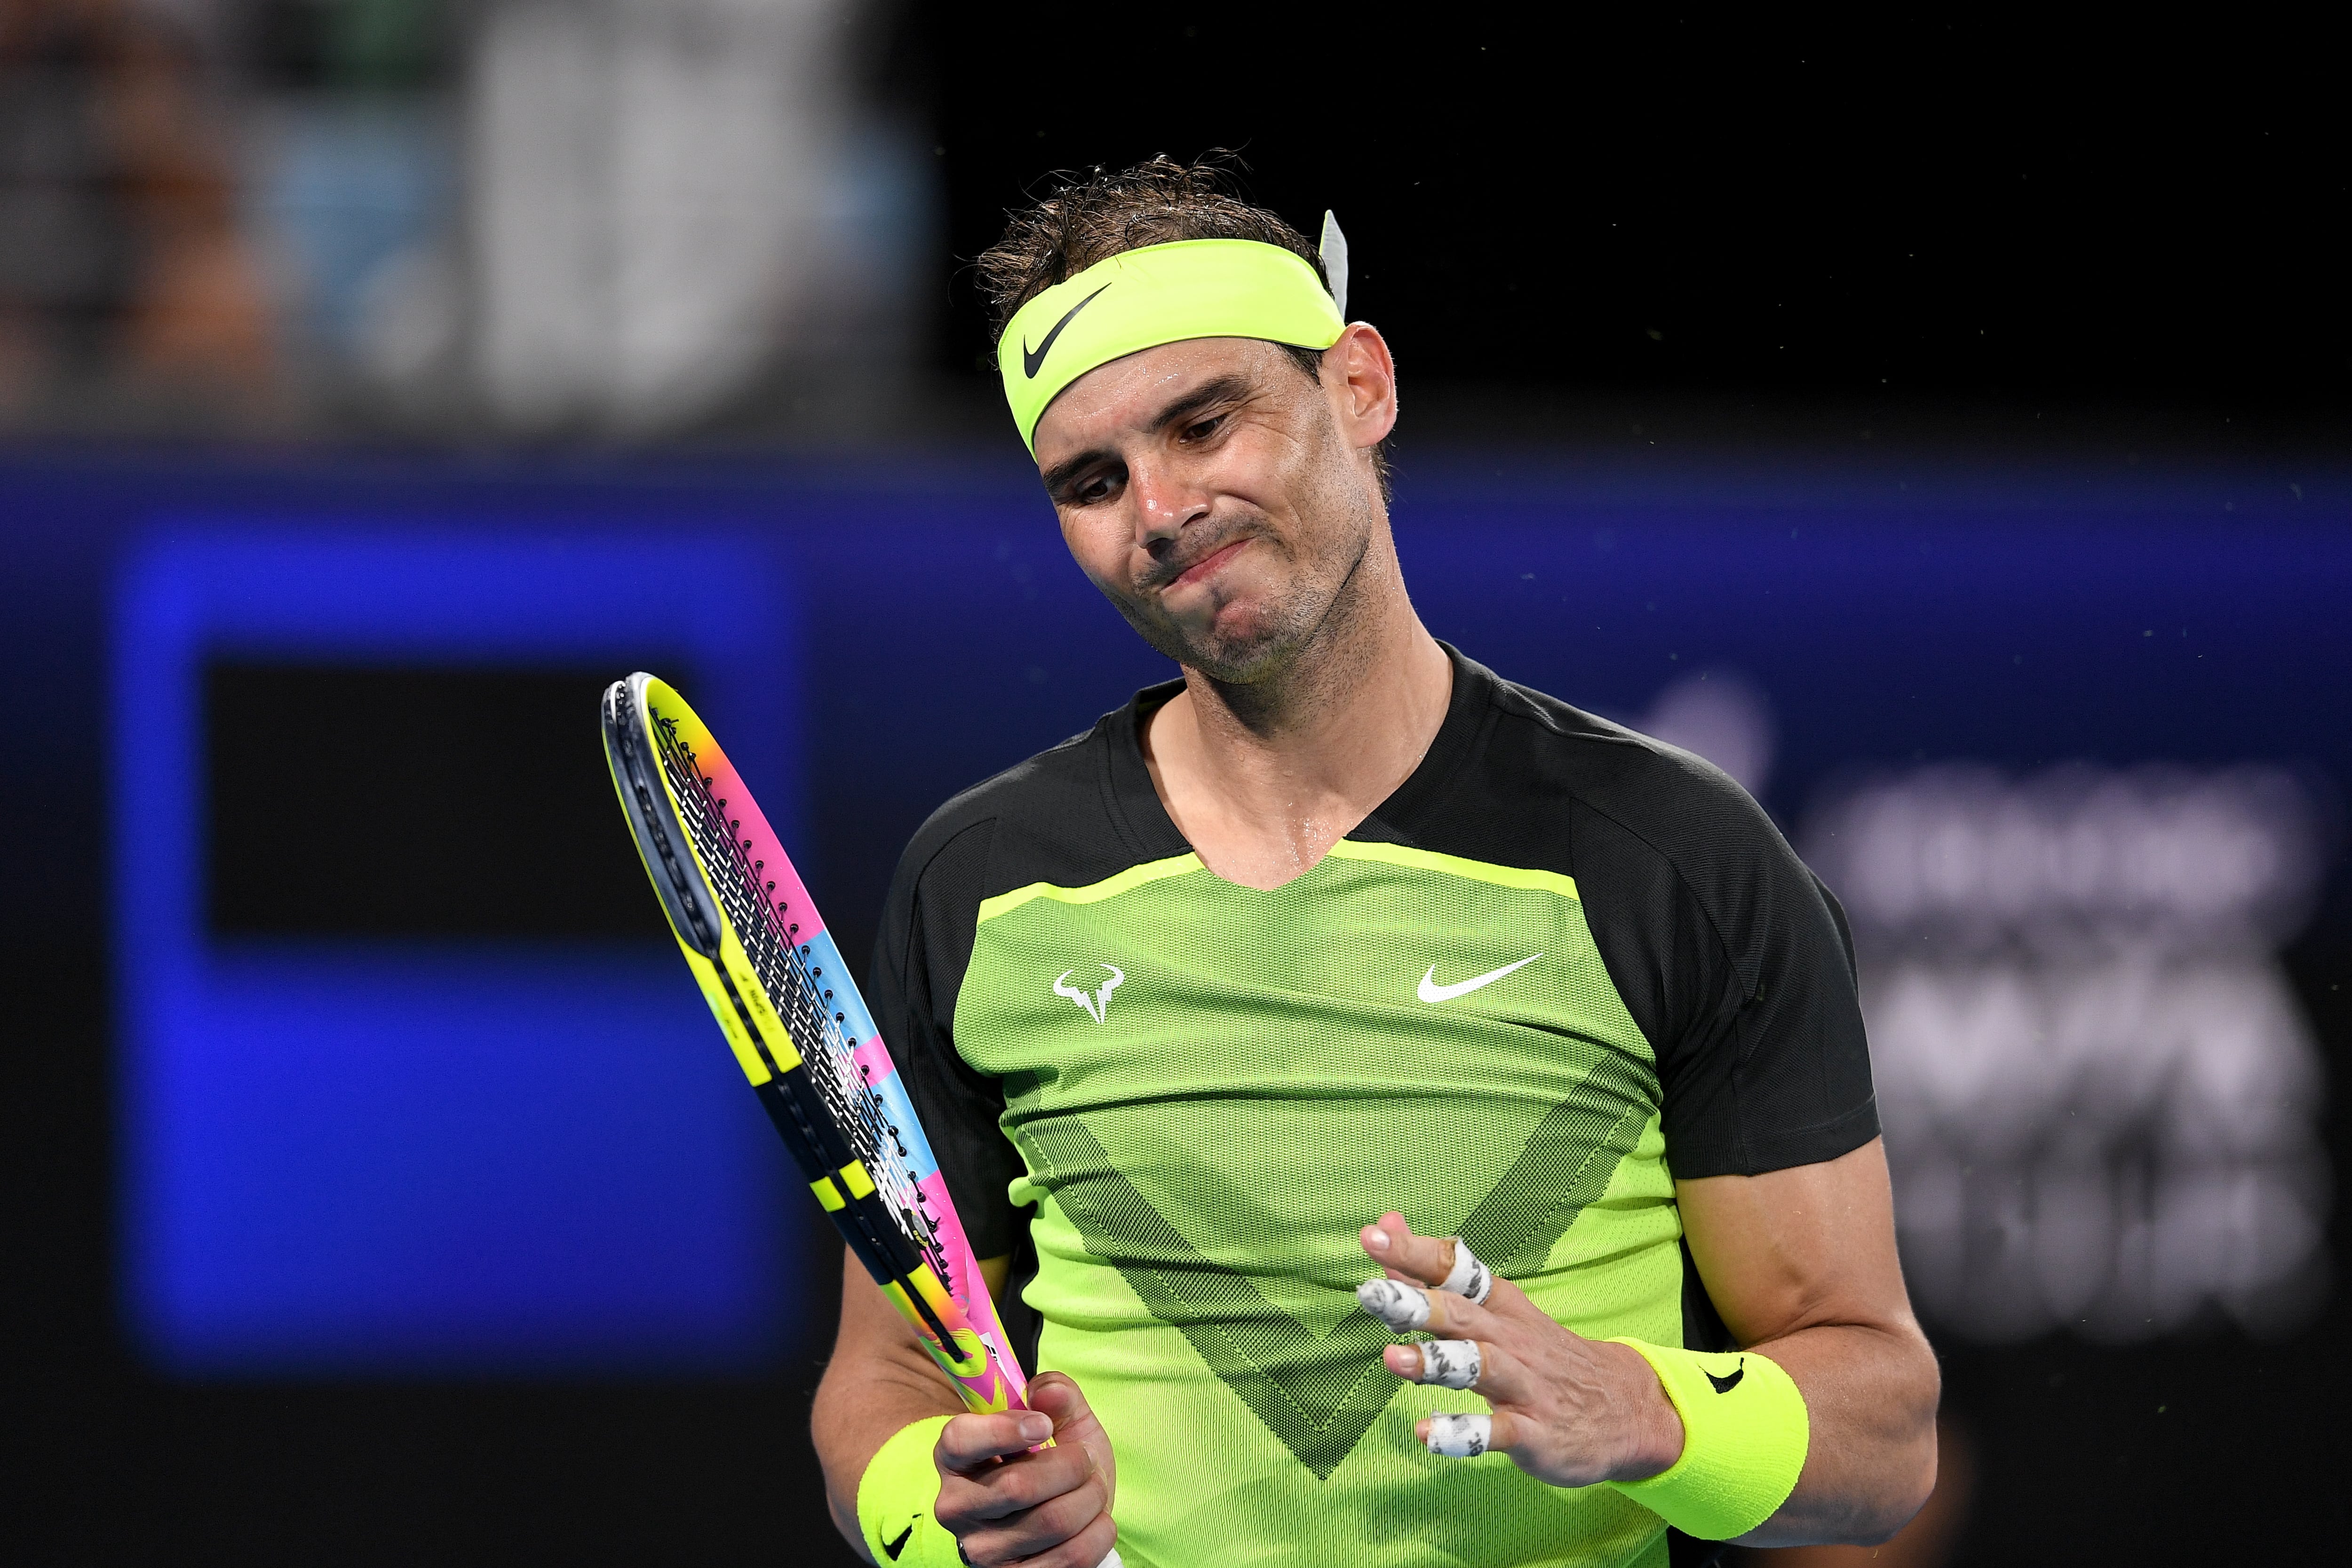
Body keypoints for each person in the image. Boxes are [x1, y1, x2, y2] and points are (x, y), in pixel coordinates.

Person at [812, 156, 1939, 1568]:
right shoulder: (977, 882)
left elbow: (1884, 1431)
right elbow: (891, 1377)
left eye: (1205, 423)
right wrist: (945, 1510)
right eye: (1093, 481)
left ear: (1359, 386)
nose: (1158, 510)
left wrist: (1657, 1411)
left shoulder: (1674, 859)